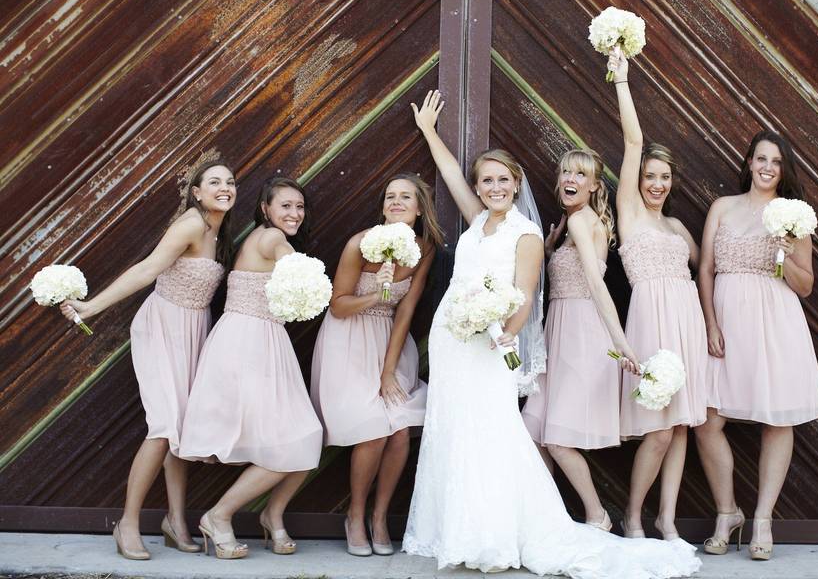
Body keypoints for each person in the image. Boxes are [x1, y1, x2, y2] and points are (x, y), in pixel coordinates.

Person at [401, 90, 700, 578]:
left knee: (508, 433)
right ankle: (462, 527)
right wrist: (431, 133)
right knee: (458, 433)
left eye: (503, 179)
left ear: (517, 184)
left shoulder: (534, 232)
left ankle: (526, 528)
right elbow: (454, 177)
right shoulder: (481, 222)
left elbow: (546, 294)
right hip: (456, 345)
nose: (494, 187)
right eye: (487, 180)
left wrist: (617, 344)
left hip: (499, 347)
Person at [61, 161, 236, 560]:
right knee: (162, 426)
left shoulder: (219, 229)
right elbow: (147, 269)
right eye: (214, 182)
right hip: (163, 327)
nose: (224, 188)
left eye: (229, 182)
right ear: (196, 192)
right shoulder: (191, 224)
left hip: (194, 330)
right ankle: (128, 523)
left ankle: (175, 521)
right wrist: (91, 308)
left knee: (180, 428)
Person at [695, 131, 818, 560]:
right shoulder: (723, 208)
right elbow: (707, 271)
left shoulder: (794, 216)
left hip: (775, 322)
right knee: (708, 419)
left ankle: (763, 520)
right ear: (749, 162)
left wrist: (787, 253)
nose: (768, 167)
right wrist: (711, 323)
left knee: (777, 419)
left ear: (783, 170)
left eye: (776, 162)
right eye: (762, 159)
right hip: (727, 324)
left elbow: (805, 286)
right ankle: (726, 511)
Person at [179, 177, 324, 559]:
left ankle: (272, 515)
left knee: (304, 437)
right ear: (266, 209)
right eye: (285, 206)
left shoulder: (262, 237)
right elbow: (299, 272)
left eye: (300, 207)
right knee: (289, 441)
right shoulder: (272, 239)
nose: (294, 213)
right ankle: (219, 515)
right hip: (248, 347)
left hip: (260, 342)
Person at [310, 173, 441, 556]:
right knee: (373, 431)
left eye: (406, 197)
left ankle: (380, 517)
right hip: (348, 338)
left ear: (419, 209)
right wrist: (379, 292)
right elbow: (338, 304)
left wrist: (388, 372)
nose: (396, 202)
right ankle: (355, 515)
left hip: (389, 341)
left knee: (399, 430)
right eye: (389, 197)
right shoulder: (359, 244)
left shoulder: (424, 247)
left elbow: (407, 309)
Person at [610, 50, 710, 542]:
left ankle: (667, 519)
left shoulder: (676, 225)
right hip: (651, 321)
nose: (656, 183)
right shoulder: (629, 212)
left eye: (664, 177)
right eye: (650, 176)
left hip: (687, 319)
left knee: (684, 426)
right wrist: (622, 79)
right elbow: (634, 140)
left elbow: (708, 267)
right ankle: (633, 516)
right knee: (660, 428)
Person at [521, 148, 639, 531]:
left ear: (592, 186)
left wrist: (620, 343)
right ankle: (548, 516)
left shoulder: (580, 222)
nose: (570, 179)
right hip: (560, 331)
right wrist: (554, 249)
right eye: (566, 172)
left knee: (555, 439)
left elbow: (595, 284)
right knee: (532, 428)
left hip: (581, 334)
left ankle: (596, 516)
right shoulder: (577, 223)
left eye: (580, 175)